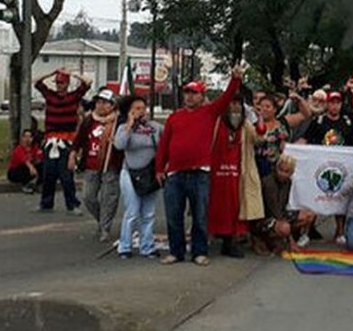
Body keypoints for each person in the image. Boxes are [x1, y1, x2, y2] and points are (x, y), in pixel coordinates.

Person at [155, 68, 244, 266]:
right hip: (175, 174)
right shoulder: (174, 118)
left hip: (200, 173)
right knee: (173, 216)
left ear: (202, 96)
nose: (189, 96)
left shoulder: (210, 112)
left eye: (194, 93)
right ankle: (176, 252)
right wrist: (159, 169)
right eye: (187, 92)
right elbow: (164, 146)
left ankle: (199, 252)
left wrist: (235, 79)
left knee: (200, 216)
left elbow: (227, 96)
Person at [207, 96, 265, 259]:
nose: (235, 108)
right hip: (217, 174)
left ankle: (231, 242)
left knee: (235, 209)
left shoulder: (245, 125)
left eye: (238, 104)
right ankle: (211, 238)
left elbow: (259, 138)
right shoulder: (217, 122)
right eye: (232, 103)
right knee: (214, 207)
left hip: (239, 174)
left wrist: (259, 118)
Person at [299, 90, 353, 245]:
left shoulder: (347, 122)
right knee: (315, 198)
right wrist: (291, 149)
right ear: (327, 104)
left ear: (340, 104)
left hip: (341, 168)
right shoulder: (318, 121)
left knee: (340, 199)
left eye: (338, 102)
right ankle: (306, 233)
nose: (335, 106)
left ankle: (340, 232)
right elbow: (305, 139)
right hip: (320, 167)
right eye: (332, 102)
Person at [35, 68, 91, 214]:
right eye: (57, 82)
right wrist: (52, 72)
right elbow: (36, 82)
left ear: (67, 84)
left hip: (66, 140)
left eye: (61, 82)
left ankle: (72, 204)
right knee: (49, 173)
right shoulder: (50, 96)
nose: (59, 85)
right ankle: (46, 203)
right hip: (50, 139)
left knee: (66, 174)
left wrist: (73, 74)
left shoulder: (74, 97)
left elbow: (87, 83)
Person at [114, 95, 163, 259]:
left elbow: (165, 143)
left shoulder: (155, 127)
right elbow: (119, 145)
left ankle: (147, 246)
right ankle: (125, 245)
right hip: (130, 172)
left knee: (148, 212)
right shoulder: (123, 128)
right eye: (136, 109)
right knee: (132, 211)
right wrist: (129, 125)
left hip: (149, 173)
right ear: (129, 111)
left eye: (143, 108)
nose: (141, 112)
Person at [71, 88, 123, 242]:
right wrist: (73, 153)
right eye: (98, 102)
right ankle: (101, 221)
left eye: (104, 103)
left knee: (109, 198)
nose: (100, 106)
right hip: (91, 165)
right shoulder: (89, 120)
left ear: (112, 105)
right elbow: (79, 139)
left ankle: (105, 227)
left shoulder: (118, 122)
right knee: (89, 197)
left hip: (111, 165)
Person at [259, 154, 316, 254]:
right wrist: (291, 241)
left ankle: (284, 238)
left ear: (291, 173)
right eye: (281, 170)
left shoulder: (288, 182)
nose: (283, 174)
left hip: (281, 213)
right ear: (276, 168)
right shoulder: (268, 183)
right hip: (266, 218)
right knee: (285, 228)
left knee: (310, 215)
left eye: (287, 172)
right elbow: (274, 212)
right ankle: (266, 238)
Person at [6, 129, 44, 193]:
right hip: (15, 172)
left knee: (43, 166)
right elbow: (25, 161)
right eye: (25, 137)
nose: (27, 139)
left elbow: (39, 159)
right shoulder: (19, 149)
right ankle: (26, 185)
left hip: (29, 169)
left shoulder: (34, 148)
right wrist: (32, 168)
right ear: (22, 138)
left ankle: (39, 185)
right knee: (25, 167)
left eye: (30, 137)